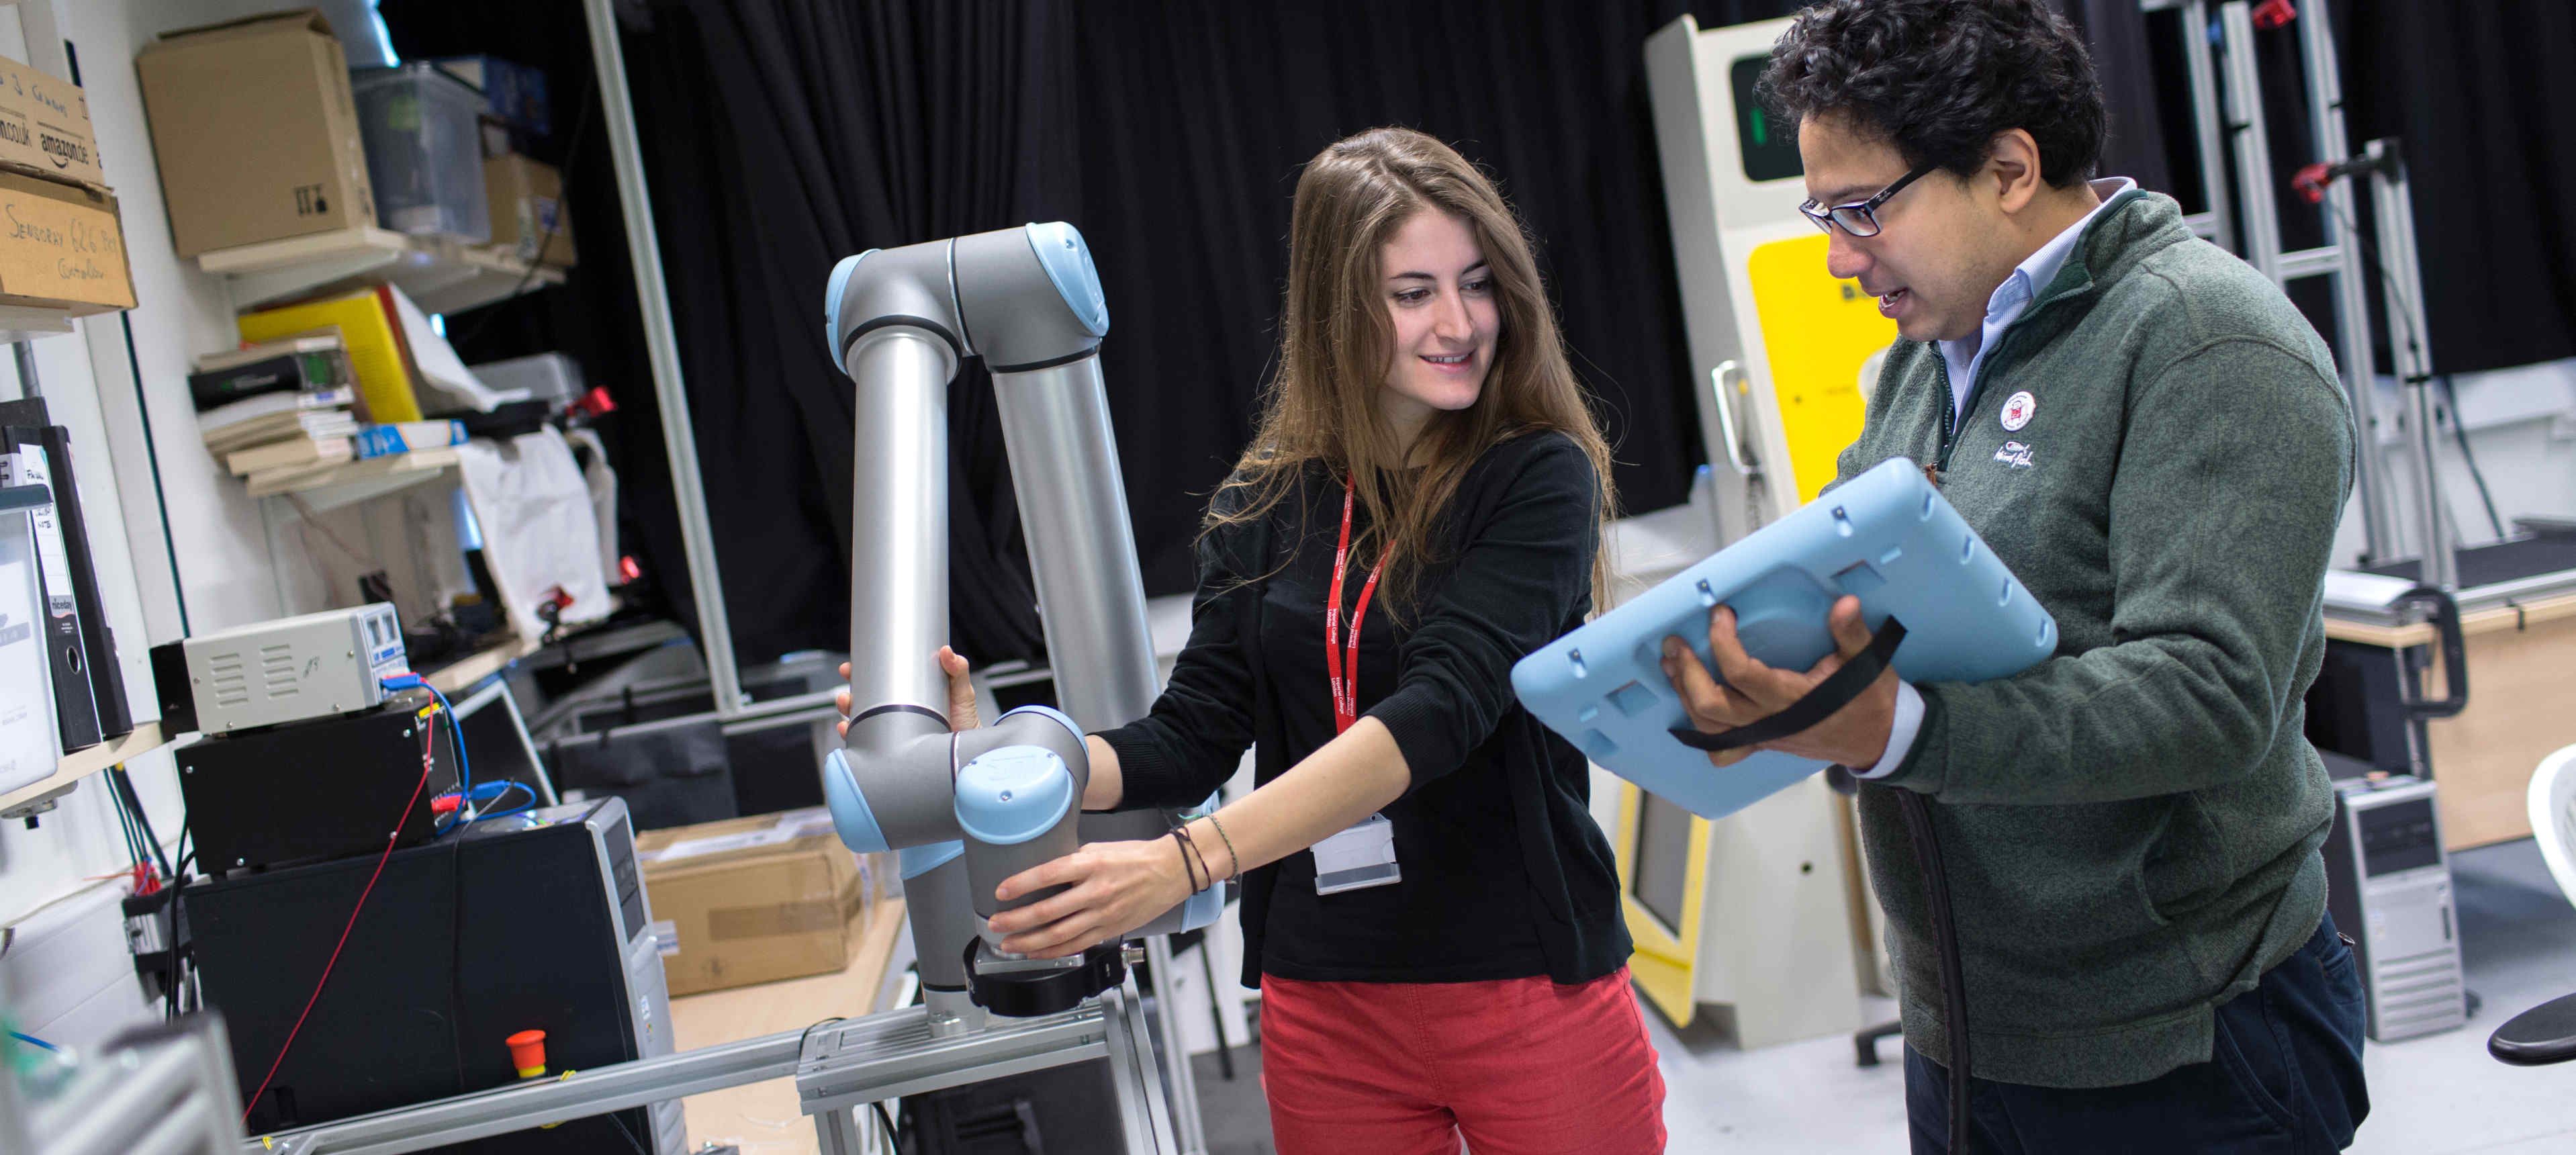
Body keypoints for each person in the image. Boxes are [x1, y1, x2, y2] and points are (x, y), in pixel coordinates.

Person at [841, 126, 1664, 1154]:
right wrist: (1005, 757)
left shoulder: (1535, 476)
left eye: (1477, 283)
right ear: (1337, 308)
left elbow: (1442, 710)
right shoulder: (1263, 502)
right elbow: (1191, 735)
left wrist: (1190, 861)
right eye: (1413, 293)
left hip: (1523, 981)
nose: (1459, 324)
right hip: (1327, 996)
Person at [1654, 1, 2369, 1152]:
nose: (1838, 255)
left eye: (1861, 211)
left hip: (2183, 1039)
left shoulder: (2206, 341)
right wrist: (1779, 701)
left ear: (2008, 169)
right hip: (1970, 1031)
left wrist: (1900, 734)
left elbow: (2209, 695)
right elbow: (1877, 627)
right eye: (1820, 213)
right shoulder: (1919, 370)